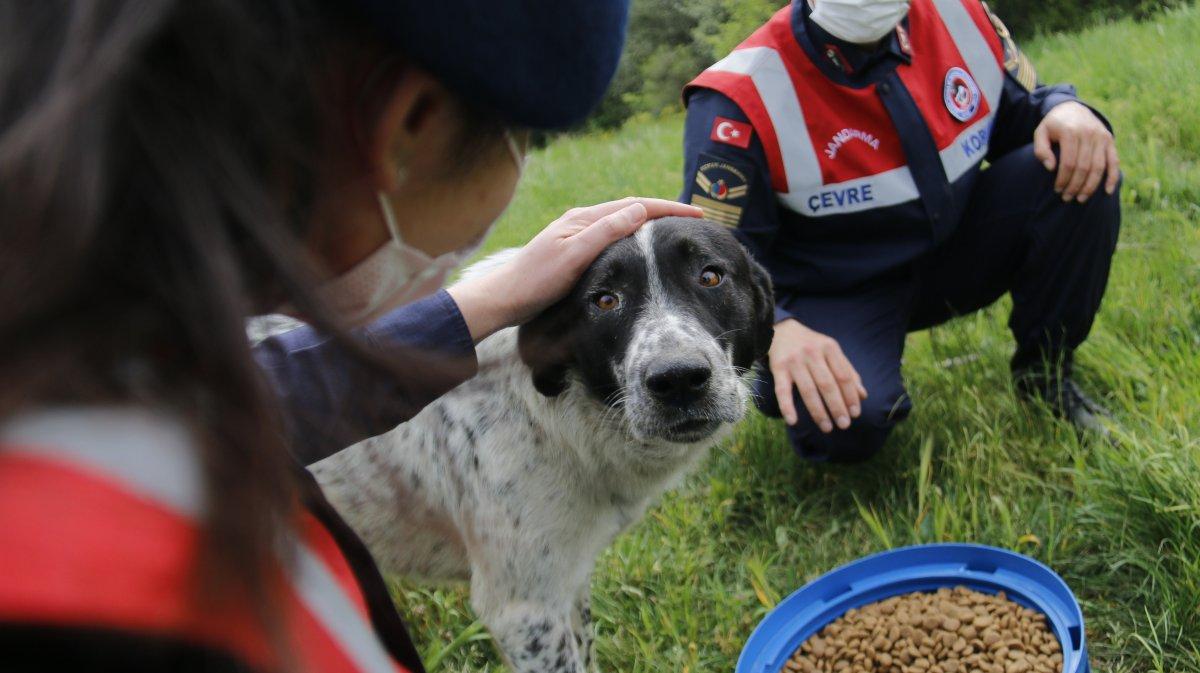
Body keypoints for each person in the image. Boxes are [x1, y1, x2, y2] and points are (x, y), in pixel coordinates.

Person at [0, 1, 700, 671]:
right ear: (412, 123)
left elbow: (249, 393)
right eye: (519, 139)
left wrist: (473, 307)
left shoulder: (99, 364)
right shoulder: (120, 600)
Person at [680, 0, 1121, 463]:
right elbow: (711, 259)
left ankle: (1047, 378)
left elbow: (1025, 112)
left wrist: (1064, 107)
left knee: (1079, 164)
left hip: (956, 248)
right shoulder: (738, 96)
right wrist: (778, 328)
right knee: (848, 423)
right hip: (836, 293)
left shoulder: (960, 14)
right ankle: (829, 402)